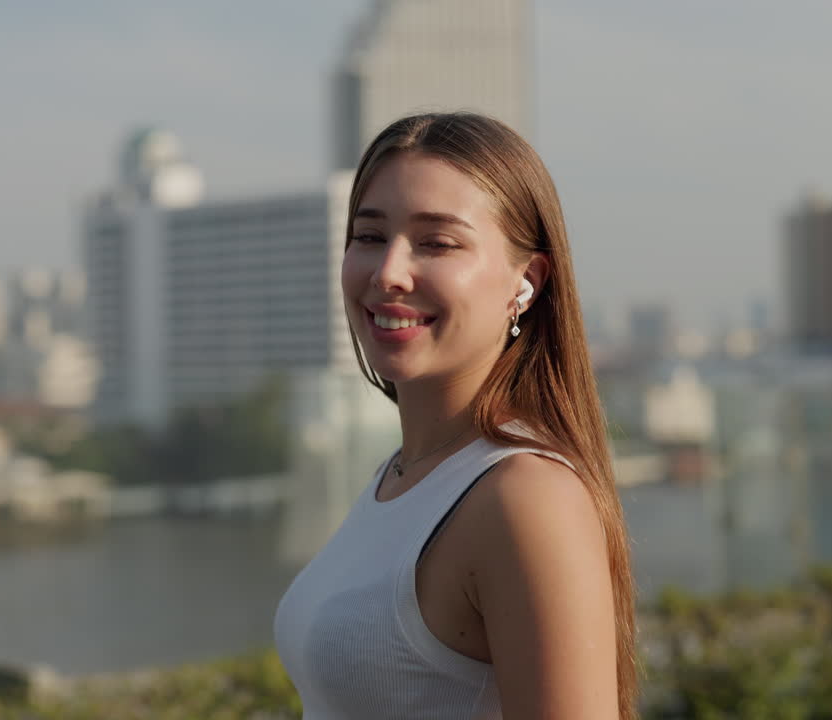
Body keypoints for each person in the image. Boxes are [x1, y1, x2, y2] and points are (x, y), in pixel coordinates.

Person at [273, 112, 638, 719]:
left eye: (437, 242)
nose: (388, 272)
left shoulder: (525, 496)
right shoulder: (402, 474)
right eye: (369, 236)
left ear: (526, 281)